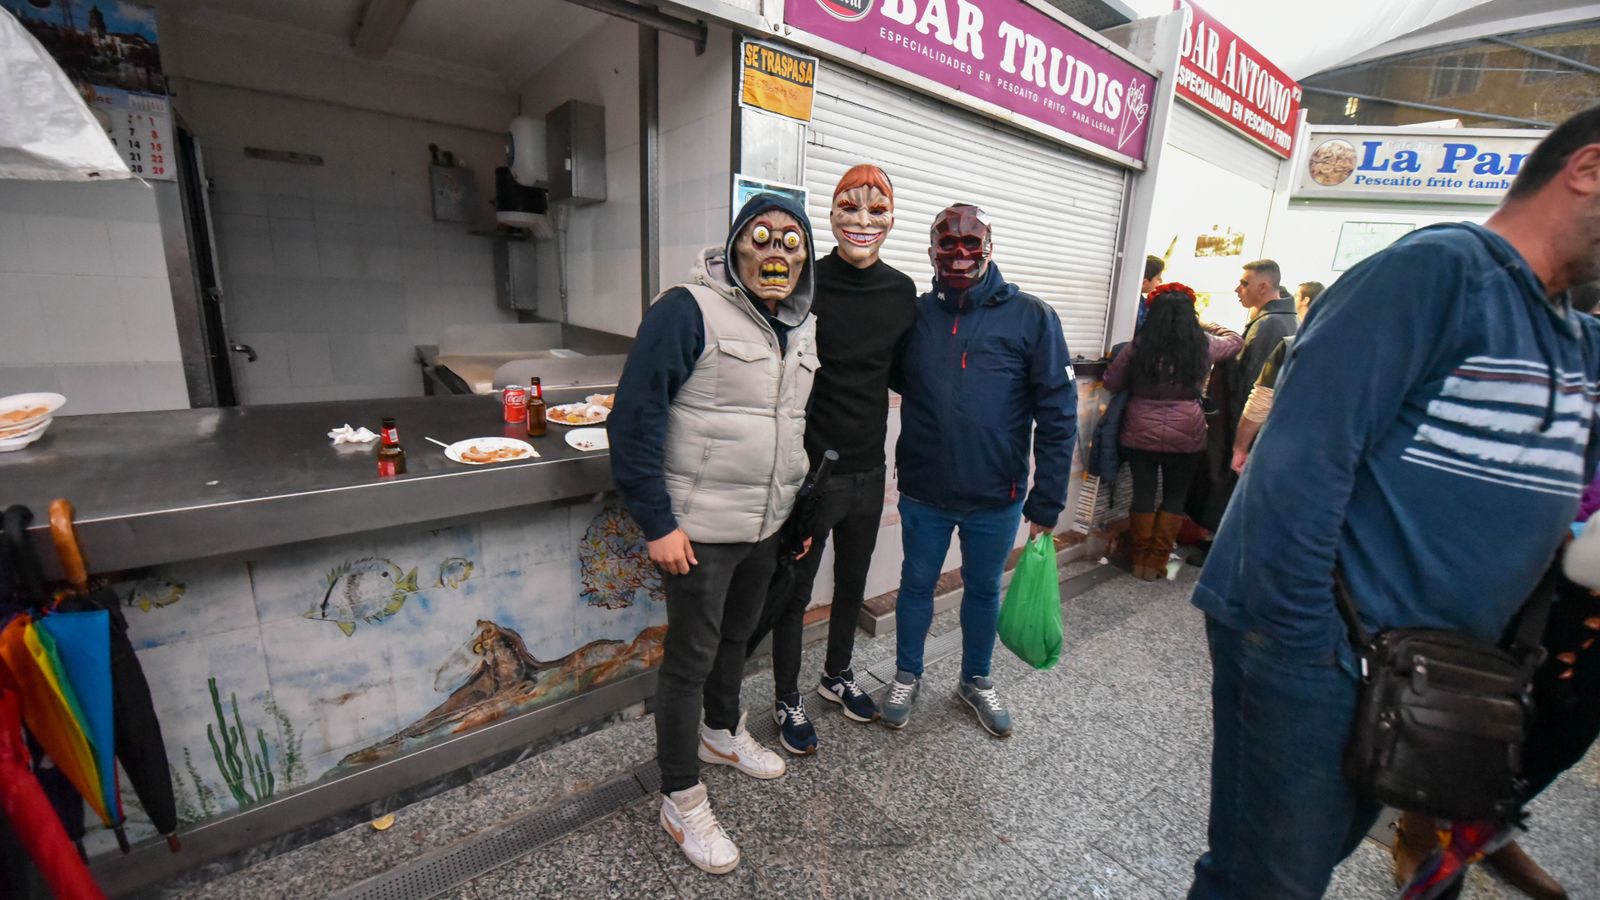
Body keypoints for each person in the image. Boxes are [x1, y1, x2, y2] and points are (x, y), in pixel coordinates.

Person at [1186, 105, 1600, 900]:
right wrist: (1310, 649)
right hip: (1327, 653)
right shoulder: (1439, 273)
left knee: (1312, 860)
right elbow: (1296, 471)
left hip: (1424, 671)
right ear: (1587, 169)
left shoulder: (1571, 335)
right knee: (1268, 881)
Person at [609, 193, 819, 875]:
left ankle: (722, 732)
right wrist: (658, 522)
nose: (776, 251)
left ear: (805, 258)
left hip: (765, 524)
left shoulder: (802, 326)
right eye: (761, 237)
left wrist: (792, 516)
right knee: (690, 661)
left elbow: (791, 427)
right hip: (698, 532)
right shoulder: (687, 309)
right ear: (735, 245)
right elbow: (634, 417)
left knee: (737, 638)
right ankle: (681, 797)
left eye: (791, 241)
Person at [1391, 280, 1600, 900]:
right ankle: (1424, 829)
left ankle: (1488, 828)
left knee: (1564, 731)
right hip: (1543, 571)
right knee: (1477, 709)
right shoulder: (1551, 349)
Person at [881, 203, 1077, 738]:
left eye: (972, 243)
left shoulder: (1032, 317)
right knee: (915, 584)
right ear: (932, 251)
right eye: (949, 243)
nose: (960, 254)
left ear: (990, 248)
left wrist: (1047, 500)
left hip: (997, 494)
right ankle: (907, 674)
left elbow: (1059, 413)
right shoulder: (915, 316)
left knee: (984, 590)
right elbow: (896, 379)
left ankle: (975, 678)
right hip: (924, 491)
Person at [751, 164, 917, 755]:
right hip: (809, 473)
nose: (862, 220)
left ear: (893, 219)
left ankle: (836, 675)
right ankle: (786, 697)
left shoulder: (902, 293)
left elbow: (904, 373)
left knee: (853, 582)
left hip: (869, 467)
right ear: (830, 215)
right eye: (850, 207)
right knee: (794, 590)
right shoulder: (806, 283)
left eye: (876, 209)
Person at [1104, 285, 1241, 581]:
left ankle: (1140, 561)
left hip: (1139, 430)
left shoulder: (1139, 346)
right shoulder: (1203, 344)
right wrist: (1209, 324)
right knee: (1175, 496)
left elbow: (1111, 381)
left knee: (1143, 493)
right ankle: (1158, 561)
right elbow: (1236, 341)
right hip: (1187, 433)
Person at [1230, 280, 1324, 473]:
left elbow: (1260, 401)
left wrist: (1240, 447)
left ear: (1306, 300)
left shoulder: (1288, 343)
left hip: (1282, 442)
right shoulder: (1365, 355)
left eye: (1296, 296)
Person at [1135, 254, 1166, 331]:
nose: (1161, 281)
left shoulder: (1141, 300)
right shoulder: (1136, 306)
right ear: (1144, 283)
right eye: (1158, 278)